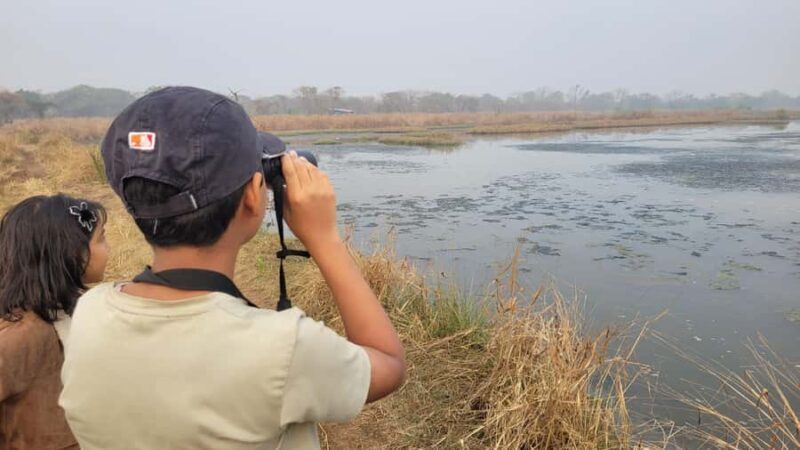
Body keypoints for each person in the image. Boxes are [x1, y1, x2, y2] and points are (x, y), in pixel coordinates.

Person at [60, 86, 406, 449]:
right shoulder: (282, 350)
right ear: (254, 195)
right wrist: (324, 240)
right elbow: (389, 363)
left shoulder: (89, 313)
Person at [0, 194, 108, 449]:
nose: (108, 248)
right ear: (72, 253)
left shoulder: (80, 311)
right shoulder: (21, 337)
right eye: (101, 238)